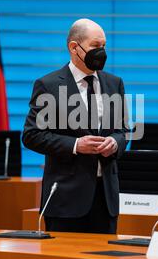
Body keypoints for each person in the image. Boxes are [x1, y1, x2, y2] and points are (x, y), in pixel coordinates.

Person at [22, 18, 128, 234]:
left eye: (104, 46)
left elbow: (123, 131)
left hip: (105, 199)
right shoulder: (49, 85)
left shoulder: (114, 83)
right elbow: (32, 135)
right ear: (74, 47)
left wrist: (114, 143)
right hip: (65, 200)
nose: (102, 52)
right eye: (95, 47)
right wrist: (75, 145)